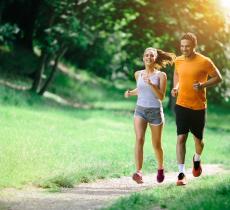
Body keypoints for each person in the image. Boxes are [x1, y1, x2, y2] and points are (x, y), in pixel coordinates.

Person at [171, 32, 222, 186]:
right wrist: (176, 87)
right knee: (181, 138)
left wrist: (202, 85)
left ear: (194, 46)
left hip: (198, 107)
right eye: (182, 46)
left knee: (199, 141)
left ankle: (197, 159)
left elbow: (218, 78)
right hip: (181, 104)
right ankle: (181, 174)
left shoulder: (204, 61)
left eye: (187, 46)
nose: (184, 49)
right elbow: (177, 74)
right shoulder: (178, 60)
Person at [124, 47, 175, 184]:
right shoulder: (138, 74)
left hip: (155, 112)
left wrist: (151, 83)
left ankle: (160, 168)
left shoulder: (161, 75)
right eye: (146, 55)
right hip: (140, 110)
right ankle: (139, 172)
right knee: (139, 139)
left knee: (156, 144)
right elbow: (140, 90)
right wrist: (130, 93)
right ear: (143, 57)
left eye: (152, 55)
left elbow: (161, 96)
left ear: (155, 58)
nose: (149, 57)